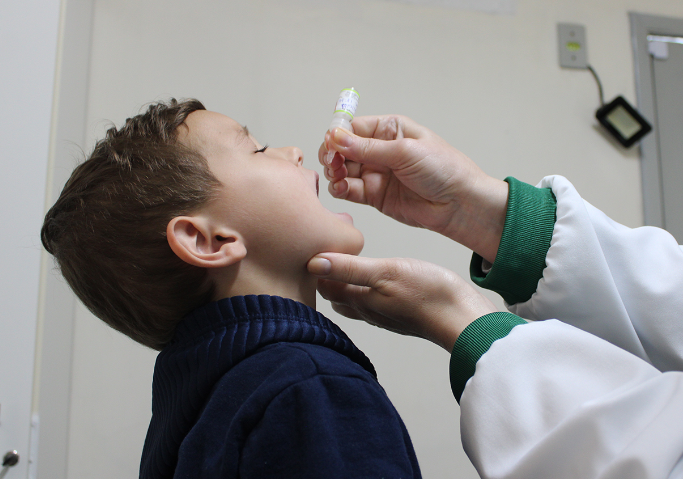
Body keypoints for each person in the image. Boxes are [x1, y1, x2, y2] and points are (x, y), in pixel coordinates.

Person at [306, 115, 683, 478]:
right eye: (256, 148)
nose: (293, 154)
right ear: (218, 241)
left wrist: (467, 324)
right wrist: (485, 214)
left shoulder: (312, 391)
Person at [40, 100, 421, 479]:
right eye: (258, 150)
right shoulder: (311, 389)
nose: (295, 153)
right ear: (208, 240)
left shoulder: (193, 412)